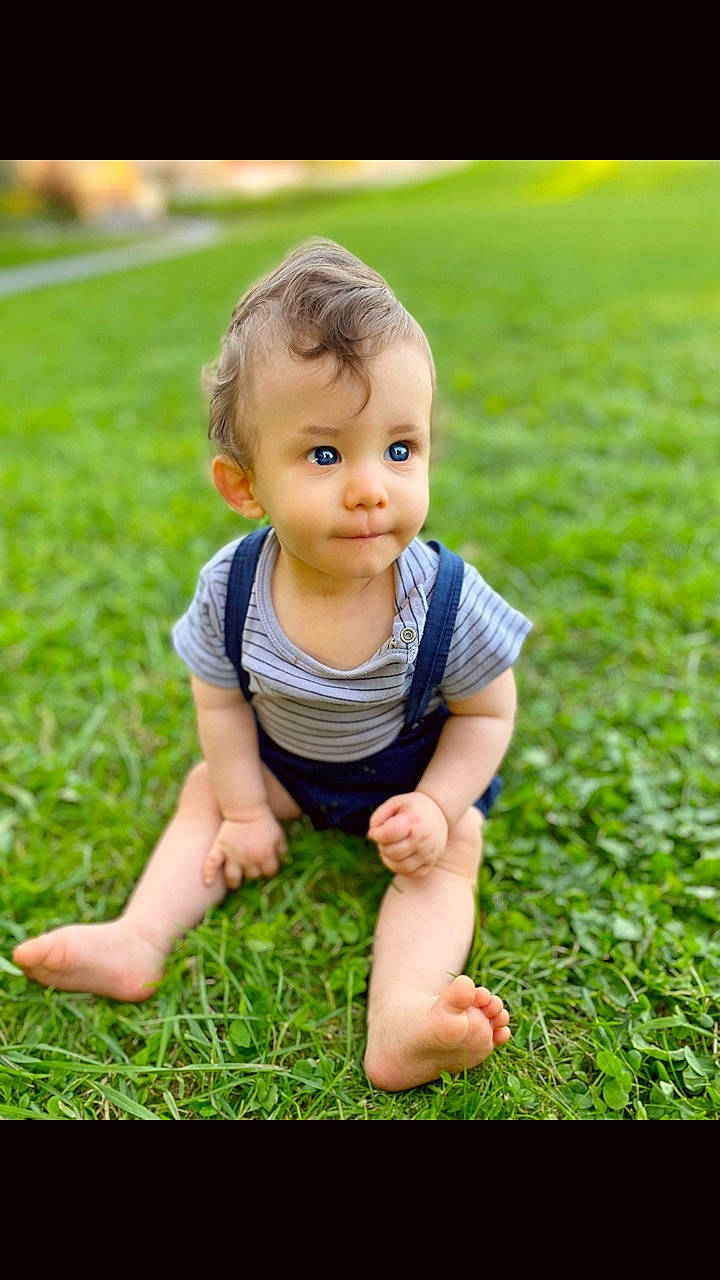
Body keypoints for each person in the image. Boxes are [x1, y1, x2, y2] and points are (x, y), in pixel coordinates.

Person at [13, 238, 533, 1091]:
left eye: (400, 449)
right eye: (325, 455)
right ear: (244, 486)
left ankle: (404, 1017)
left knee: (455, 849)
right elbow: (220, 702)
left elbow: (488, 713)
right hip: (288, 767)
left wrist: (437, 806)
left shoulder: (445, 599)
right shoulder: (233, 588)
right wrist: (248, 810)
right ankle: (138, 937)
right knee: (205, 791)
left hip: (406, 780)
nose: (370, 487)